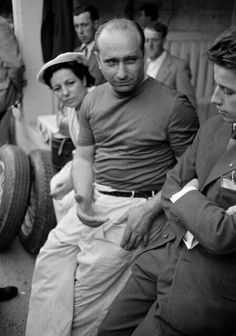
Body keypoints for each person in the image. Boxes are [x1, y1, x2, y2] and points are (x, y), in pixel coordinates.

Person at [26, 18, 198, 336]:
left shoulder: (174, 107)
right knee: (49, 262)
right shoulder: (91, 100)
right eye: (111, 62)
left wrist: (148, 212)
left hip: (136, 209)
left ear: (144, 53)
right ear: (98, 59)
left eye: (130, 60)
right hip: (95, 199)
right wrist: (82, 198)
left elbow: (191, 177)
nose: (121, 72)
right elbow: (84, 154)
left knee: (84, 299)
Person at [98, 26, 236, 336]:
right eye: (217, 86)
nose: (214, 98)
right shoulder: (214, 128)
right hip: (163, 254)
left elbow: (223, 235)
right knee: (108, 330)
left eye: (229, 91)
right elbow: (173, 181)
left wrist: (187, 197)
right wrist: (193, 202)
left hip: (206, 288)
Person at [37, 51, 95, 221]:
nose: (65, 93)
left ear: (84, 80)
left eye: (70, 83)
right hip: (85, 161)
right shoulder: (72, 106)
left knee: (71, 198)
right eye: (57, 88)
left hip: (107, 168)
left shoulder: (97, 104)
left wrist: (74, 180)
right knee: (56, 184)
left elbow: (106, 153)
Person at [144, 22, 196, 107]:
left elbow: (189, 105)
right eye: (146, 40)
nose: (150, 45)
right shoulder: (139, 64)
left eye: (155, 40)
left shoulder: (178, 66)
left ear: (164, 41)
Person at [73, 5, 105, 85]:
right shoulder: (75, 53)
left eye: (84, 25)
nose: (80, 31)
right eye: (76, 26)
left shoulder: (104, 50)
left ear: (96, 24)